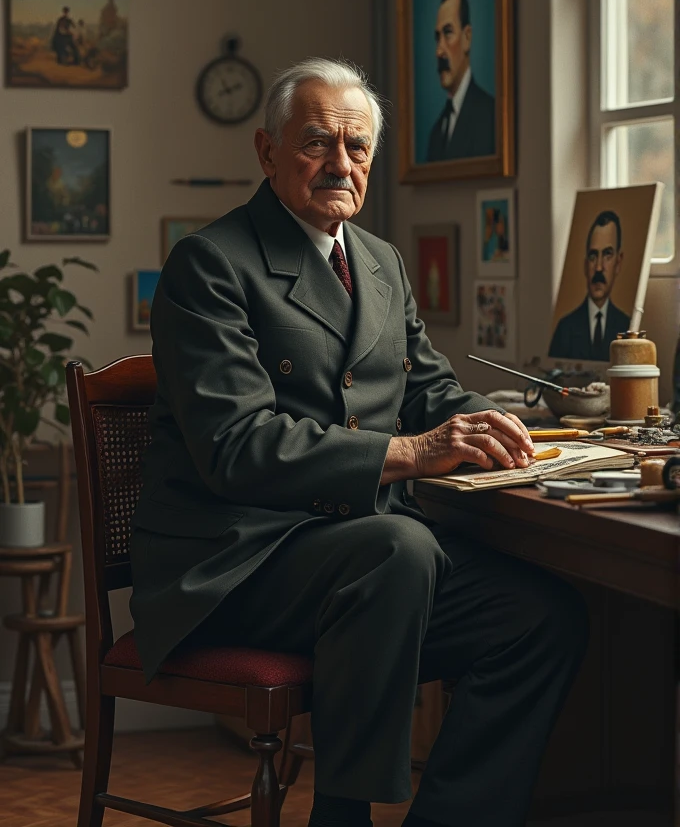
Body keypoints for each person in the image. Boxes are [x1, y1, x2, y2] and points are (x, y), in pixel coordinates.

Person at [130, 58, 588, 827]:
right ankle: (340, 815)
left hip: (361, 567)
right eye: (317, 143)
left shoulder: (379, 262)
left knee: (542, 618)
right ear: (266, 152)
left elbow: (431, 391)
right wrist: (411, 453)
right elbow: (236, 446)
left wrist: (516, 435)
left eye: (359, 147)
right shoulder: (209, 265)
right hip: (238, 565)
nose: (341, 164)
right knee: (399, 547)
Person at [549, 209, 630, 362]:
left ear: (618, 263)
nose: (598, 267)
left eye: (607, 254)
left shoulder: (627, 327)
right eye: (593, 256)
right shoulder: (565, 328)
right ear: (585, 265)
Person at [426, 0, 495, 163]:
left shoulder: (490, 115)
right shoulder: (437, 131)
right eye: (437, 37)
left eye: (448, 33)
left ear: (467, 37)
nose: (439, 50)